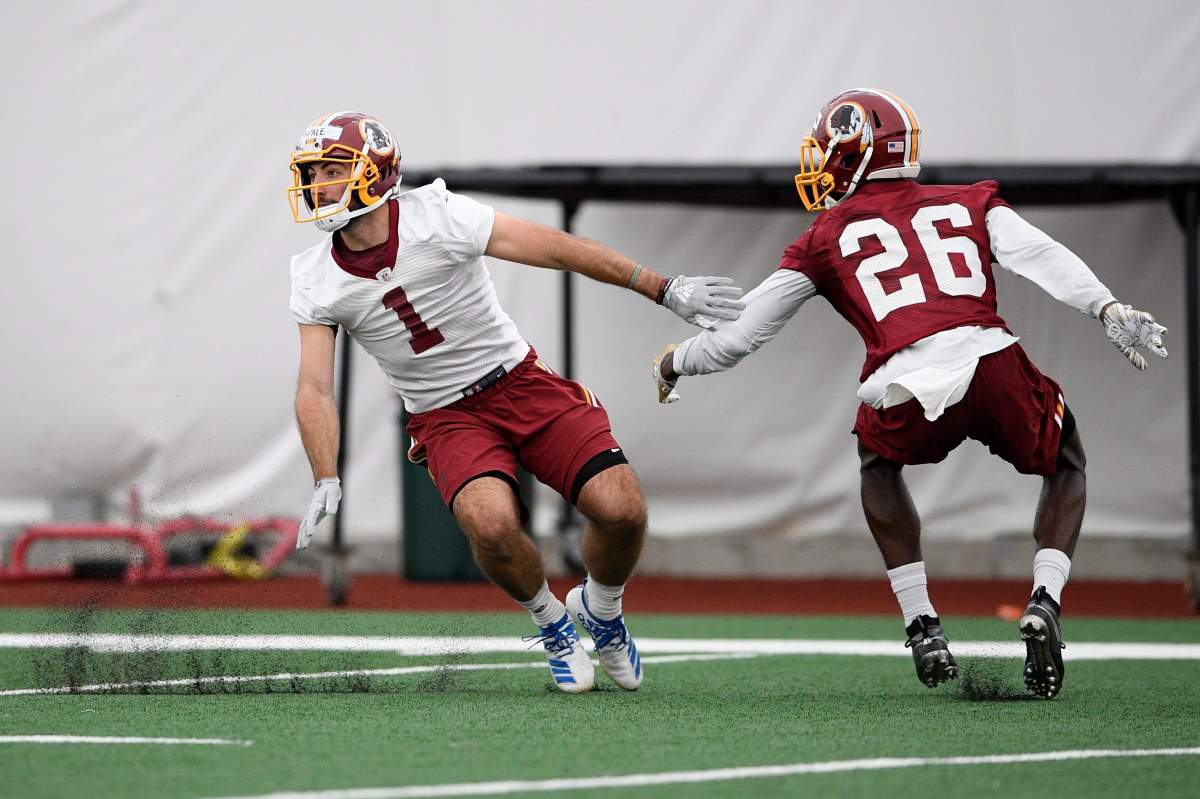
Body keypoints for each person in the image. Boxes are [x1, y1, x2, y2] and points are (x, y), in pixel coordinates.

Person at [651, 89, 1168, 698]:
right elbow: (1040, 255)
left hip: (905, 379)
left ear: (854, 152)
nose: (817, 163)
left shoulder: (824, 236)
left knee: (878, 463)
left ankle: (922, 622)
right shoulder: (969, 201)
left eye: (825, 150)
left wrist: (674, 361)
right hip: (991, 360)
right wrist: (1103, 306)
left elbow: (734, 341)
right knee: (1067, 459)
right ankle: (1046, 600)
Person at [286, 111, 745, 694]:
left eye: (331, 170)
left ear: (375, 174)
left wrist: (662, 287)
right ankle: (552, 624)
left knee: (622, 508)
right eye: (313, 172)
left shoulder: (439, 215)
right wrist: (324, 474)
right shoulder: (314, 276)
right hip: (445, 415)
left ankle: (601, 608)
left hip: (519, 382)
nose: (317, 185)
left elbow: (557, 248)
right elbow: (315, 387)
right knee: (491, 524)